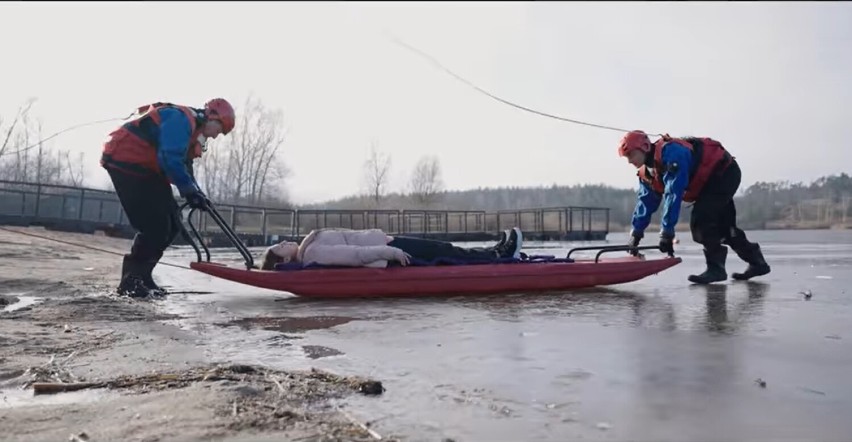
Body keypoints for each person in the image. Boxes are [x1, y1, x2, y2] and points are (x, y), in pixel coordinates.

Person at [100, 99, 236, 297]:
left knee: (173, 224)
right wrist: (188, 190)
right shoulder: (181, 120)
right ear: (212, 117)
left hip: (146, 168)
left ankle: (144, 277)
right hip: (126, 161)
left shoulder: (193, 132)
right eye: (219, 129)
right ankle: (131, 280)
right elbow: (169, 158)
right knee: (154, 225)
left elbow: (185, 167)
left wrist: (196, 193)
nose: (216, 136)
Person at [617, 130, 770, 284]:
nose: (629, 161)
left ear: (644, 147)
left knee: (701, 221)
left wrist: (666, 233)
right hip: (708, 183)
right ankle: (758, 263)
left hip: (724, 173)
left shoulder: (672, 154)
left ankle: (716, 269)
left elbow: (673, 193)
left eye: (631, 155)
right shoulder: (647, 174)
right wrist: (636, 234)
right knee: (725, 229)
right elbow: (646, 202)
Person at [259, 227, 524, 270]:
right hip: (388, 249)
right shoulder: (313, 253)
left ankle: (493, 251)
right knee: (444, 252)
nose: (283, 243)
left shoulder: (310, 245)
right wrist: (392, 252)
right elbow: (356, 255)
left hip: (386, 241)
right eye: (279, 248)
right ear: (282, 261)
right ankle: (500, 256)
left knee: (443, 248)